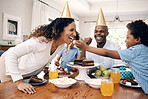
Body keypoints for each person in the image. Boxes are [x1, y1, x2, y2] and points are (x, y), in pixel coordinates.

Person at [0, 18, 76, 94]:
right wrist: (19, 82)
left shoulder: (61, 45)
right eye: (71, 30)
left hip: (27, 75)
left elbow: (48, 57)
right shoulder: (40, 41)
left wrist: (45, 68)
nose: (75, 34)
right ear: (59, 30)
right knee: (11, 94)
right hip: (9, 68)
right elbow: (11, 53)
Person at [75, 20, 148, 94]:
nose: (125, 40)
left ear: (137, 39)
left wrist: (85, 47)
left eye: (127, 38)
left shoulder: (134, 51)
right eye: (96, 31)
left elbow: (106, 53)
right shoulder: (143, 49)